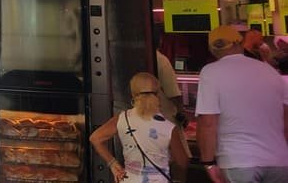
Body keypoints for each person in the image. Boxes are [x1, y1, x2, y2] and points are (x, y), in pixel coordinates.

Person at [196, 25, 288, 183]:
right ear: (239, 44)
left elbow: (208, 123)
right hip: (278, 160)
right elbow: (285, 120)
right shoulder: (270, 71)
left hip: (238, 160)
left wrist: (208, 163)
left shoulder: (210, 72)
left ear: (212, 50)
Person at [89, 72, 188, 182]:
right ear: (158, 94)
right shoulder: (169, 127)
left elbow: (95, 138)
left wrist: (113, 163)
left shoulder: (122, 118)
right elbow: (182, 161)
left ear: (133, 94)